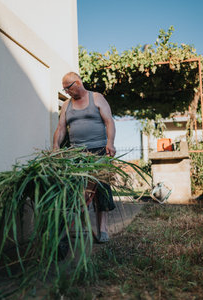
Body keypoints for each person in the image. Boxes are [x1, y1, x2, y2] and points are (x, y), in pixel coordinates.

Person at [53, 72, 116, 243]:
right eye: (64, 88)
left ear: (78, 82)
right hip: (76, 154)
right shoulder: (67, 105)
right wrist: (56, 147)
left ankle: (102, 229)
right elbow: (61, 128)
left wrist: (110, 143)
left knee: (101, 188)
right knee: (79, 191)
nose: (66, 91)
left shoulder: (96, 98)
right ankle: (81, 226)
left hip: (99, 151)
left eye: (68, 87)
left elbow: (109, 121)